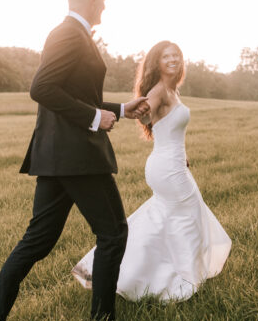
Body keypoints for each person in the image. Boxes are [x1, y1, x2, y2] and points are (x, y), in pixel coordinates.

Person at [0, 0, 149, 321]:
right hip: (77, 156)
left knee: (38, 241)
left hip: (60, 157)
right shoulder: (68, 34)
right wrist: (95, 118)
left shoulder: (73, 35)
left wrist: (119, 109)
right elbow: (42, 88)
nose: (105, 6)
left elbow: (74, 92)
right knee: (113, 233)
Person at [72, 41, 232, 302]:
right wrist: (131, 112)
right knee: (188, 216)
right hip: (166, 167)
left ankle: (129, 272)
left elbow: (168, 128)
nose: (173, 59)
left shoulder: (171, 90)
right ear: (157, 62)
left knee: (167, 217)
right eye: (166, 56)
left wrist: (182, 154)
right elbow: (142, 113)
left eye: (176, 55)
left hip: (172, 162)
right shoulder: (160, 91)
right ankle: (185, 278)